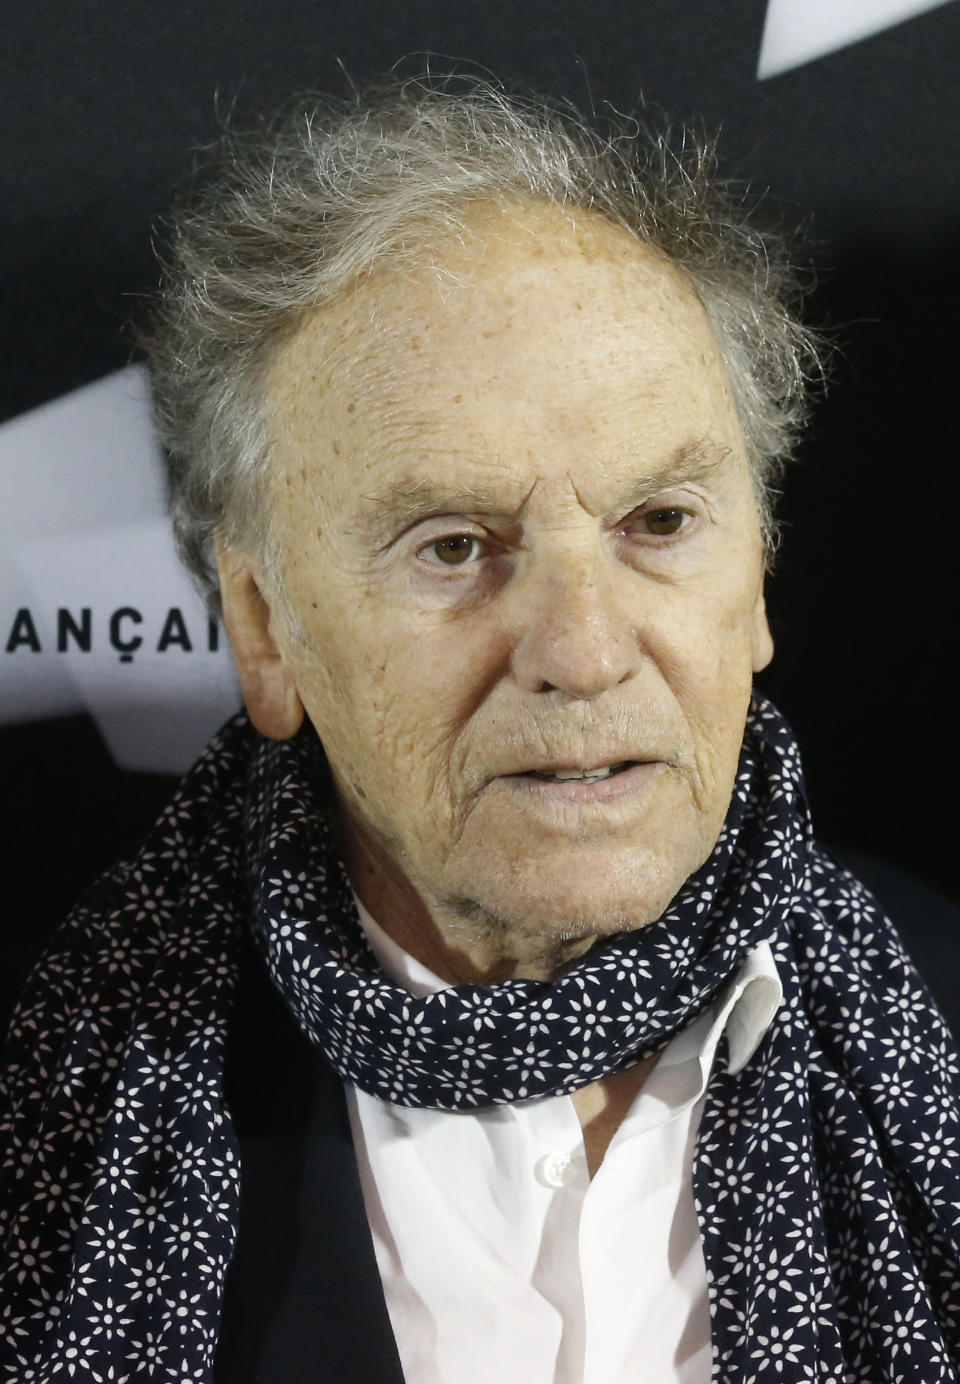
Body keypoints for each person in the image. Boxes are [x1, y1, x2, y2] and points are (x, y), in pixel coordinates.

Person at [2, 76, 959, 1384]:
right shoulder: (60, 1112)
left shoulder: (939, 1023)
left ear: (761, 579)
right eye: (454, 548)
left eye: (660, 525)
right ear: (264, 627)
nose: (582, 649)